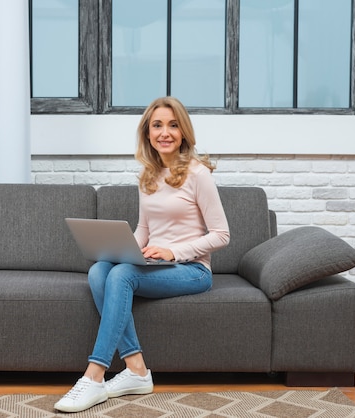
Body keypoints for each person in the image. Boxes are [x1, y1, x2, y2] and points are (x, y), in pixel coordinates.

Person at [54, 96, 230, 413]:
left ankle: (94, 375)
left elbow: (221, 235)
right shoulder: (147, 176)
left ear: (184, 132)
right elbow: (143, 229)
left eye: (173, 125)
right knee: (99, 271)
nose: (165, 132)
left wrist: (172, 251)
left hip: (192, 271)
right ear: (147, 133)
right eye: (157, 125)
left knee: (121, 275)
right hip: (156, 266)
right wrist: (126, 249)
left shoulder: (198, 173)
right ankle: (136, 369)